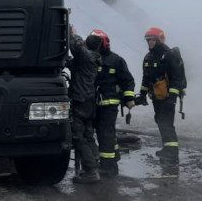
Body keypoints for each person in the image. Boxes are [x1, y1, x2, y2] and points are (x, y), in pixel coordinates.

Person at [90, 29, 136, 177]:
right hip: (95, 103)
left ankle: (109, 166)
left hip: (109, 104)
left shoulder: (116, 60)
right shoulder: (91, 58)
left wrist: (129, 98)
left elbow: (128, 80)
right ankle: (113, 157)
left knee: (105, 133)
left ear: (103, 43)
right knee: (105, 132)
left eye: (97, 43)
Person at [136, 27, 182, 168]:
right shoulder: (148, 57)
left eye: (152, 40)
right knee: (160, 121)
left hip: (167, 97)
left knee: (167, 123)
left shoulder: (168, 56)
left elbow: (176, 78)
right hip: (156, 97)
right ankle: (167, 149)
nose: (150, 43)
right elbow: (146, 78)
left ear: (159, 40)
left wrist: (172, 98)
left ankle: (172, 153)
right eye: (148, 40)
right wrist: (142, 95)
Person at [66, 26, 103, 184]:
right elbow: (74, 64)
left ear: (87, 44)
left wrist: (70, 28)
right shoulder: (94, 57)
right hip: (89, 102)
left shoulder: (86, 56)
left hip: (80, 101)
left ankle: (91, 171)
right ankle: (95, 165)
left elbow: (75, 44)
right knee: (88, 136)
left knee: (78, 137)